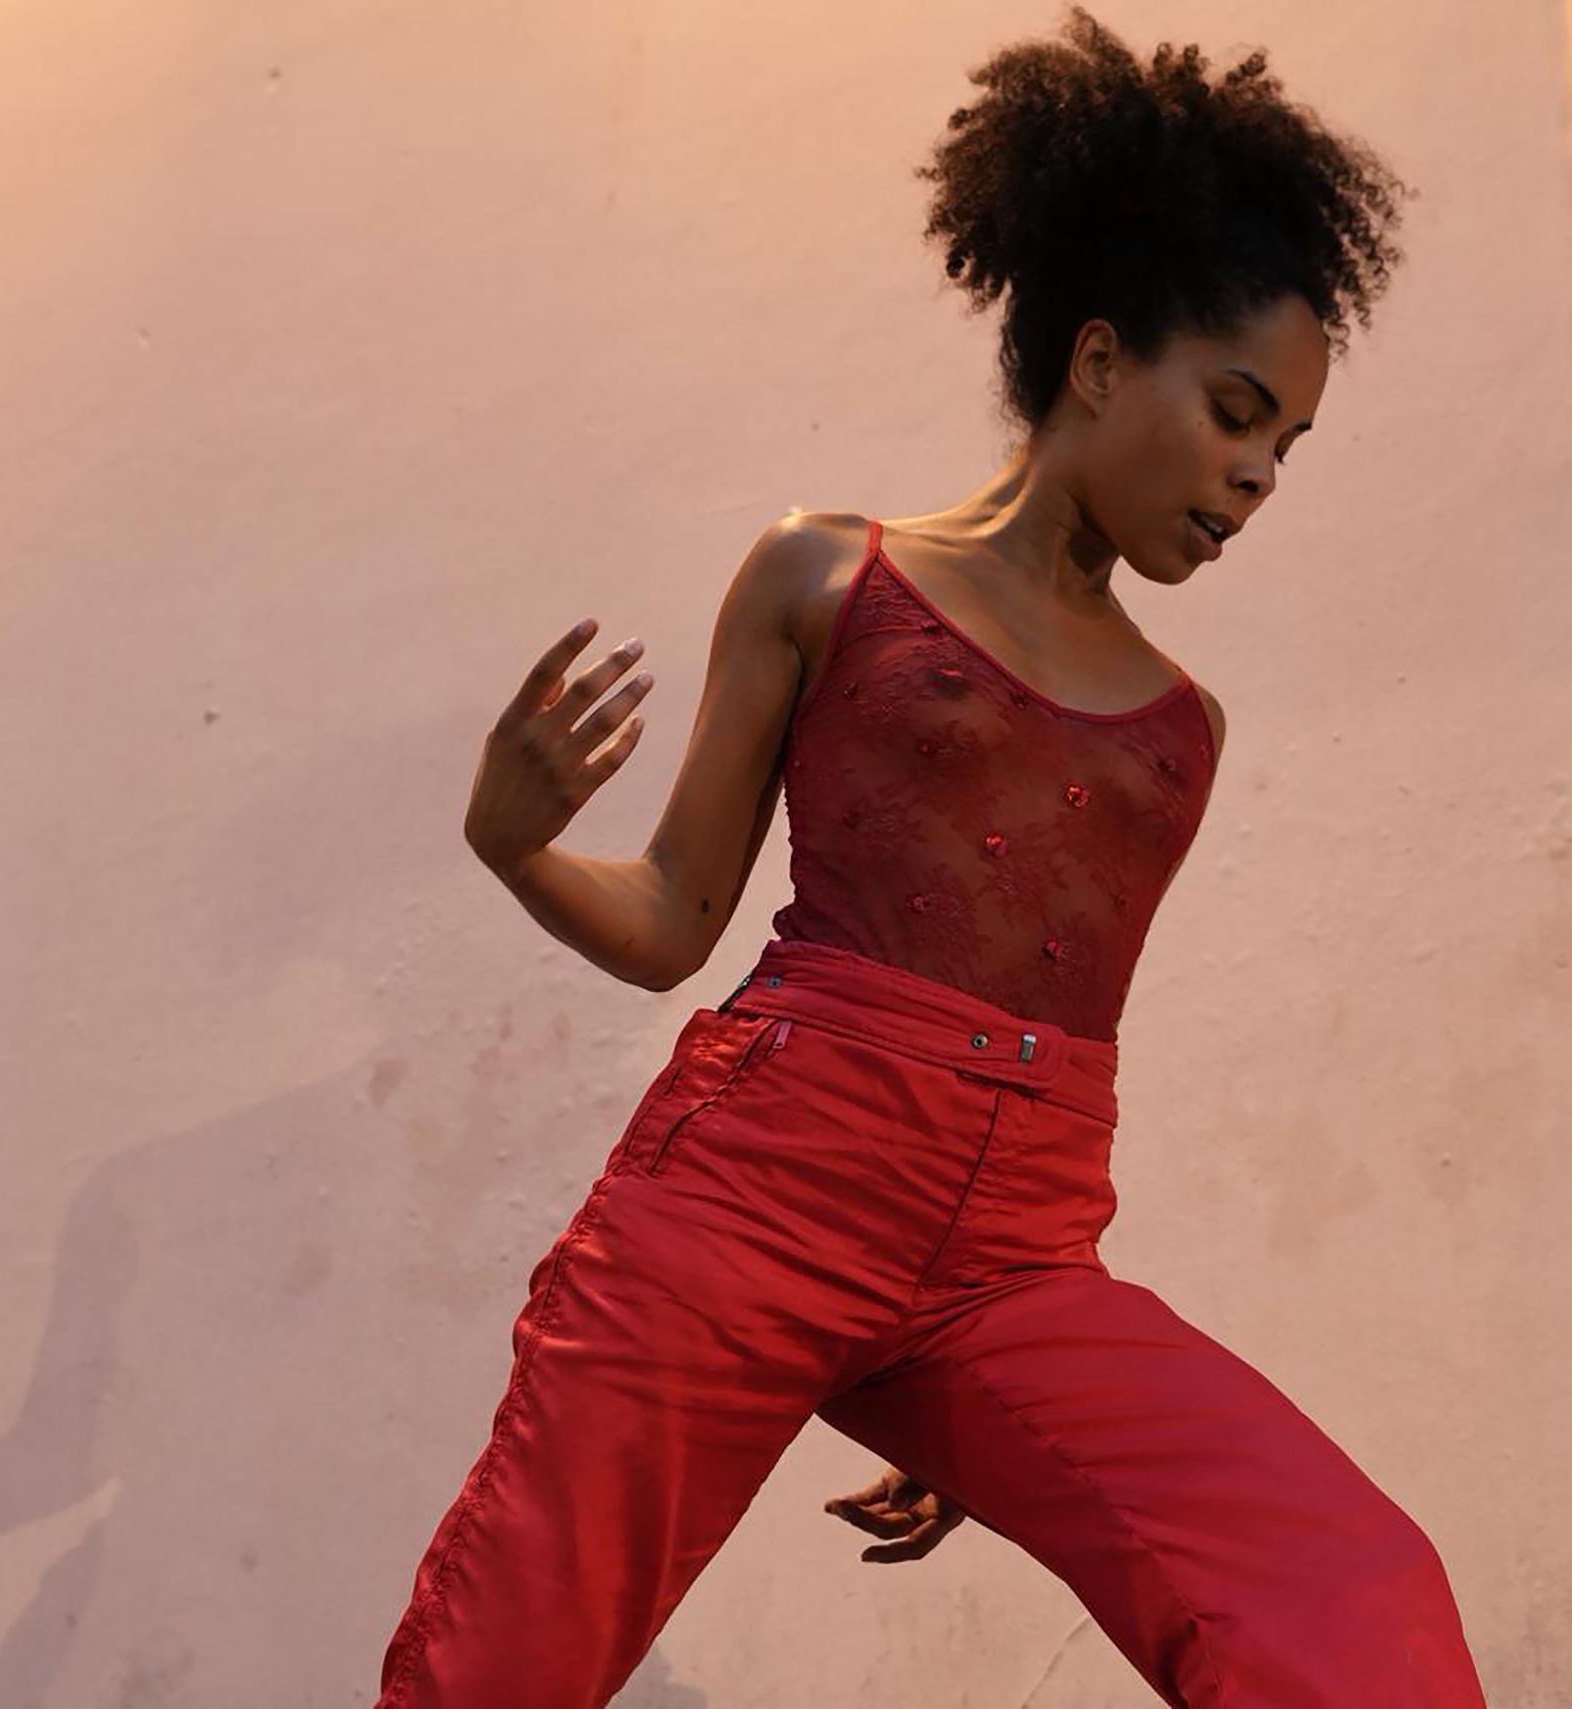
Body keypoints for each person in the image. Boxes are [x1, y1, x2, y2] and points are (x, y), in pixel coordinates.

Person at [375, 9, 1487, 1706]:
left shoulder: (1183, 731)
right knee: (502, 1660)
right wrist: (515, 846)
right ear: (1103, 362)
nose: (1259, 475)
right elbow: (677, 916)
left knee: (1350, 1591)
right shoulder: (829, 577)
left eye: (1289, 447)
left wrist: (1000, 1420)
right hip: (756, 1191)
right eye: (1236, 412)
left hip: (1013, 1258)